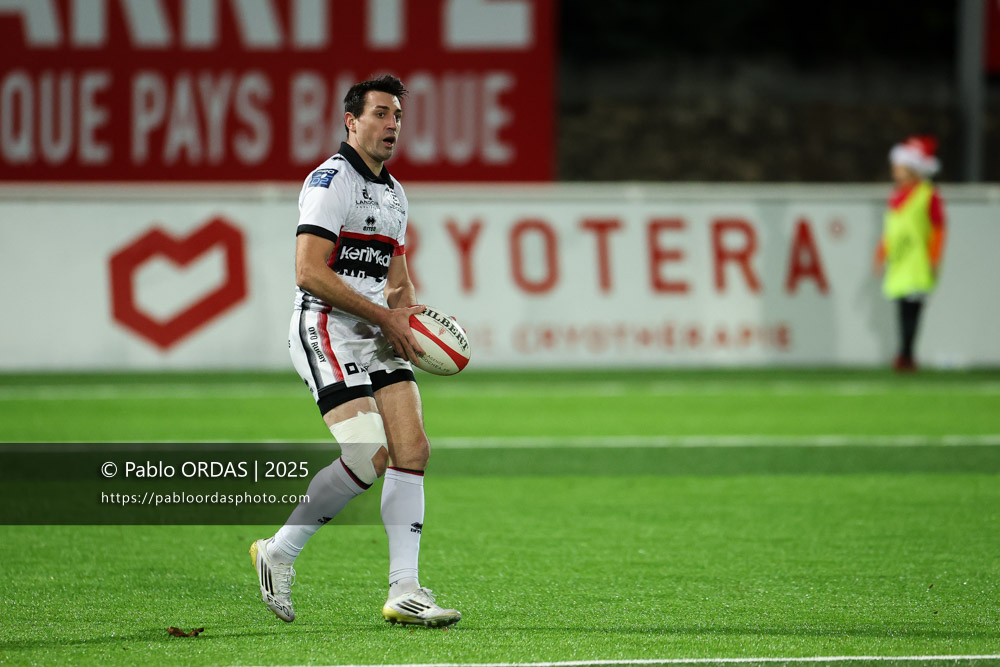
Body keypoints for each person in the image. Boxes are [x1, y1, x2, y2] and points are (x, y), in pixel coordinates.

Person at [250, 74, 461, 628]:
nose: (393, 125)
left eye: (398, 116)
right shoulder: (330, 181)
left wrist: (407, 320)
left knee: (411, 449)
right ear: (353, 121)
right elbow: (308, 272)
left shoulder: (394, 194)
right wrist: (383, 316)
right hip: (325, 328)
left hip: (374, 330)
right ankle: (278, 551)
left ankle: (405, 590)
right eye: (382, 114)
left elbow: (396, 281)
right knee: (368, 456)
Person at [875, 135, 947, 372]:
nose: (895, 171)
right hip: (899, 262)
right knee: (902, 308)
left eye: (899, 167)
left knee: (912, 310)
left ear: (913, 168)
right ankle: (905, 353)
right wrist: (881, 253)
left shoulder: (928, 194)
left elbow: (938, 228)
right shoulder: (894, 196)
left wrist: (934, 257)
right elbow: (890, 230)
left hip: (917, 262)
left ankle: (906, 354)